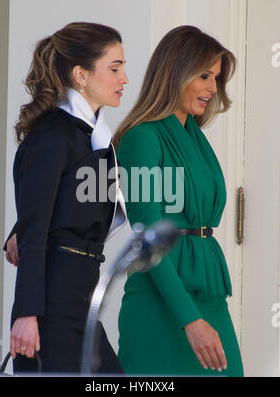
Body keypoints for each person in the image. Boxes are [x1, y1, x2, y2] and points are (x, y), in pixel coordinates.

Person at [113, 25, 244, 377]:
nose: (213, 88)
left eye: (216, 77)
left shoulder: (194, 137)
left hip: (207, 292)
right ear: (175, 71)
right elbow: (147, 239)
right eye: (204, 75)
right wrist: (190, 321)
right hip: (163, 303)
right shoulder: (143, 137)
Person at [4, 21, 128, 374]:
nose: (124, 79)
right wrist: (26, 314)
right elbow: (37, 224)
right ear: (81, 75)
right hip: (52, 306)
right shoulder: (54, 136)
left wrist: (19, 229)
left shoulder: (92, 139)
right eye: (115, 68)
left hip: (82, 299)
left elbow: (58, 204)